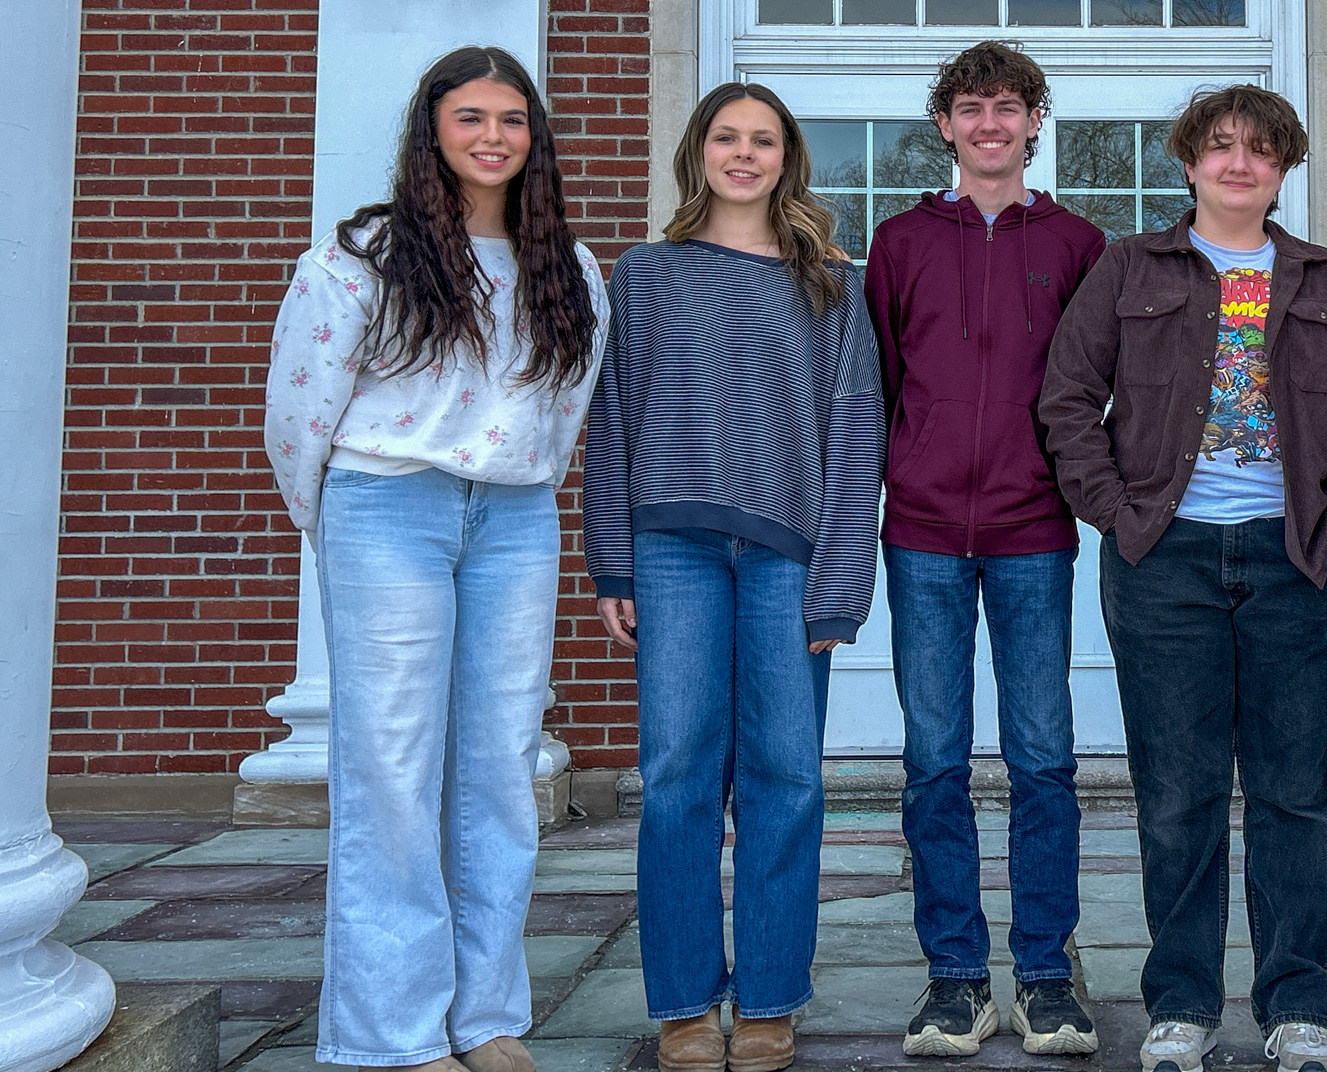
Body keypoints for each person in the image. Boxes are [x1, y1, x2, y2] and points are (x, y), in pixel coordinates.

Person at [263, 46, 605, 1072]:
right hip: (385, 509)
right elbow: (298, 413)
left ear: (532, 136)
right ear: (433, 130)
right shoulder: (360, 257)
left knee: (500, 767)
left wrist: (530, 490)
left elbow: (567, 405)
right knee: (394, 769)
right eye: (470, 118)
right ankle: (390, 1034)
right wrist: (334, 524)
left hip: (514, 518)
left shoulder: (571, 268)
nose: (493, 136)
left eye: (511, 119)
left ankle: (484, 1016)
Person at [1040, 85, 1327, 1072]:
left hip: (1293, 558)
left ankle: (1296, 1008)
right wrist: (1113, 509)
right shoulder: (1128, 267)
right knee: (1178, 788)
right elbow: (1066, 396)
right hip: (1167, 557)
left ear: (1284, 168)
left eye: (1260, 150)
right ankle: (1181, 1005)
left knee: (1298, 787)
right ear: (1187, 163)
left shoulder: (1325, 279)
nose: (1239, 163)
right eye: (1220, 146)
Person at [581, 81, 884, 1072]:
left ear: (787, 158)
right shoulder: (645, 273)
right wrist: (610, 560)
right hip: (670, 548)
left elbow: (854, 435)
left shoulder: (831, 281)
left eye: (763, 140)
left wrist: (841, 579)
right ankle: (680, 1000)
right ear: (698, 150)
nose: (743, 154)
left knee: (785, 780)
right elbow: (612, 421)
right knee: (674, 776)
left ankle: (768, 995)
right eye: (726, 137)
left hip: (786, 557)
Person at [862, 40, 1108, 1059]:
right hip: (919, 532)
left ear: (1033, 120)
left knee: (1044, 760)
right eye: (971, 107)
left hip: (1032, 533)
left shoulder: (1079, 243)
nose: (989, 123)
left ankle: (1046, 974)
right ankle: (955, 979)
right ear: (945, 124)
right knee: (931, 762)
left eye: (1008, 106)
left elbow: (1101, 386)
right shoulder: (898, 242)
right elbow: (875, 386)